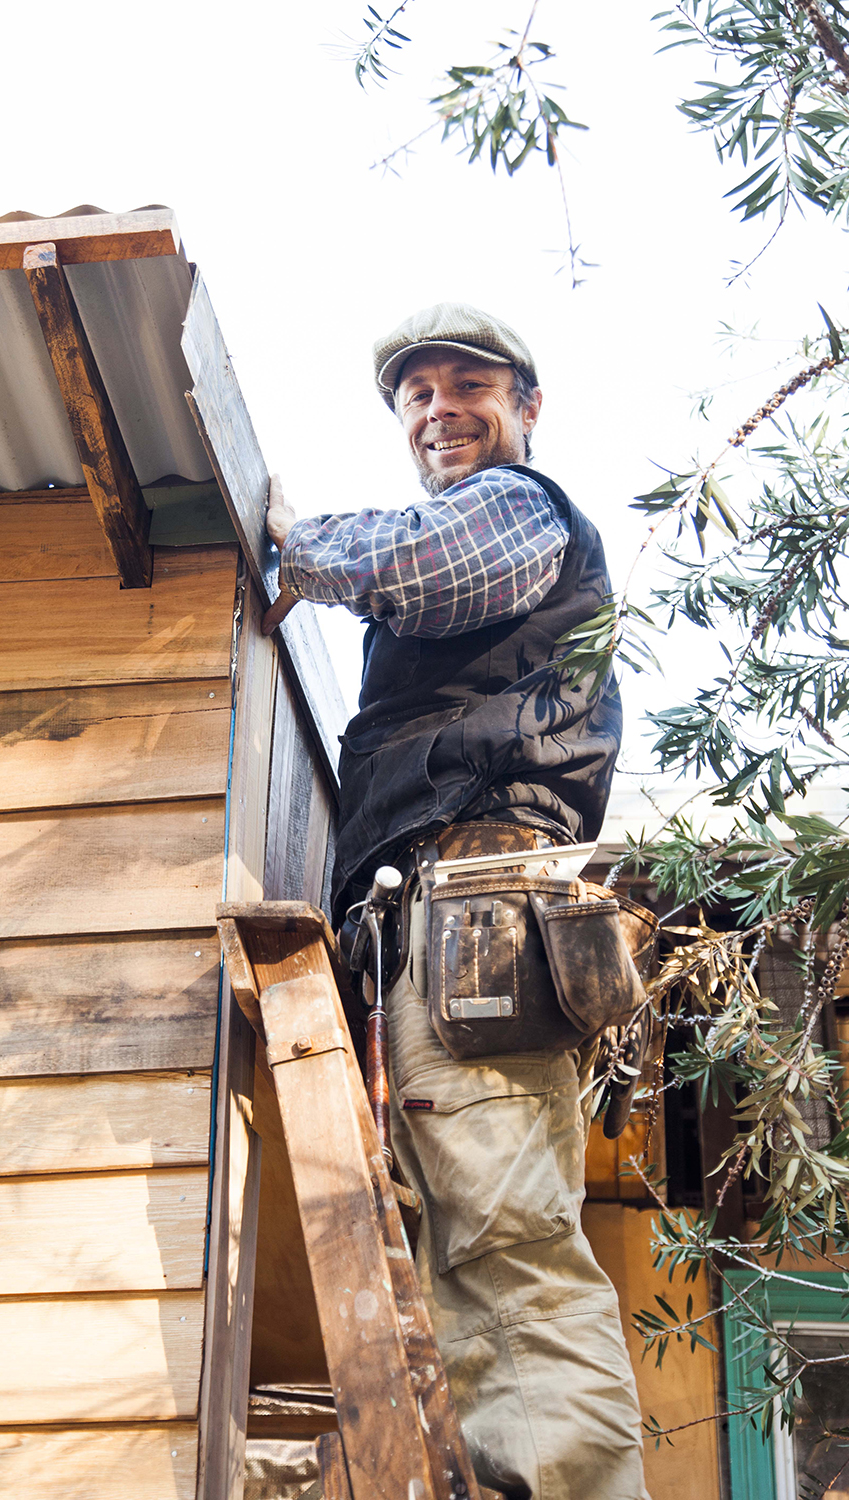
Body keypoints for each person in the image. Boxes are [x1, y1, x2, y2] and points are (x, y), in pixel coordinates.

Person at [262, 304, 649, 1500]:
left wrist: (280, 539)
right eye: (415, 394)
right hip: (428, 937)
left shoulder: (516, 511)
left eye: (465, 383)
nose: (439, 409)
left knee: (504, 1246)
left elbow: (408, 561)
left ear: (527, 405)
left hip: (474, 915)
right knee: (450, 1256)